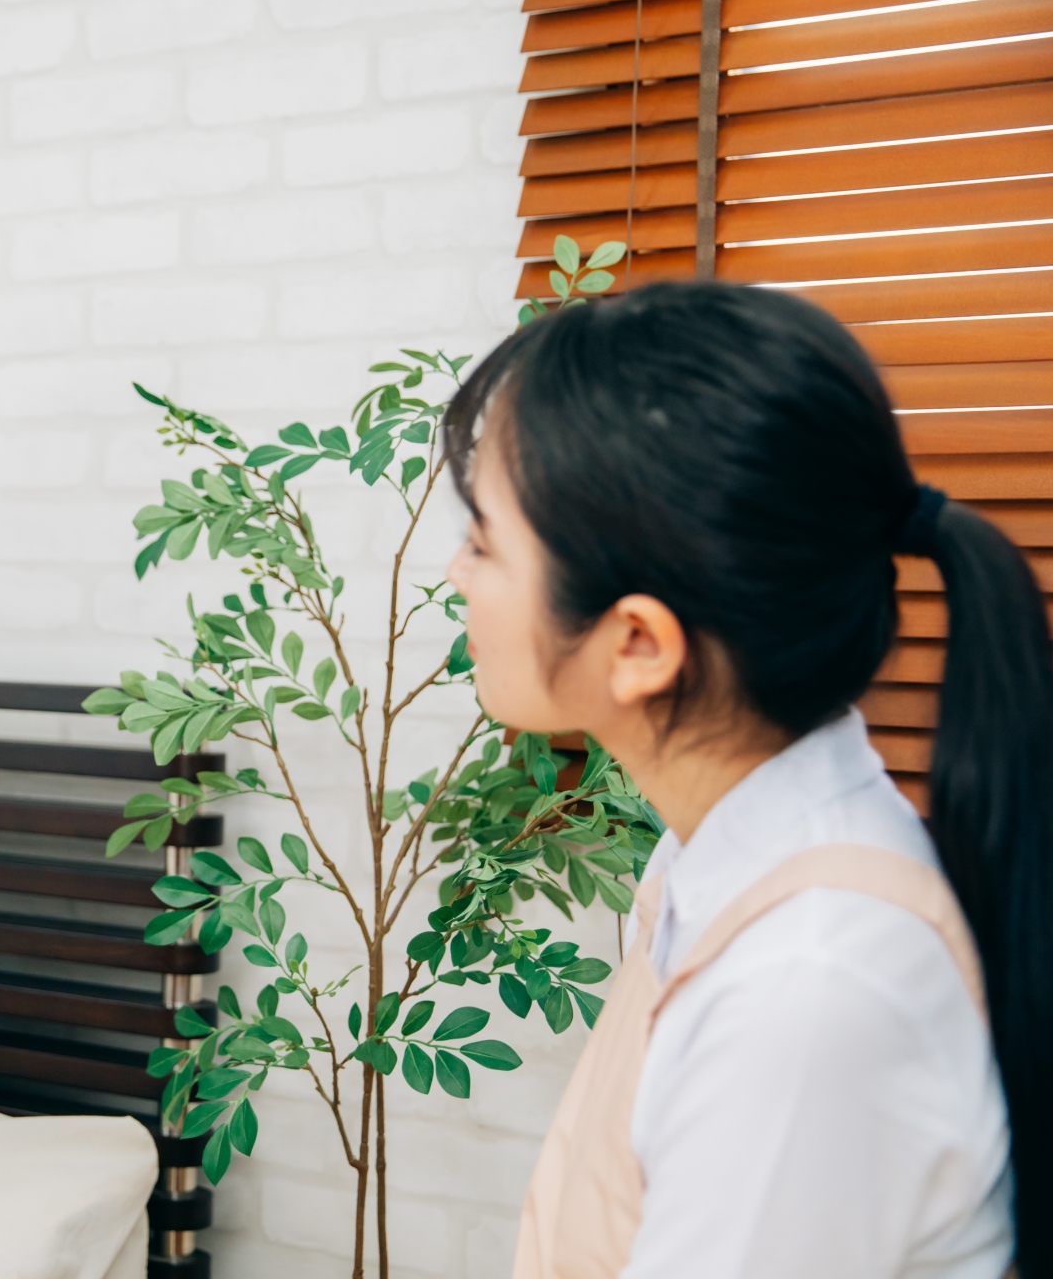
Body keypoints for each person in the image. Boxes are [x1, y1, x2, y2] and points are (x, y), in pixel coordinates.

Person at [441, 283, 1042, 1279]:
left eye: (485, 540)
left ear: (637, 642)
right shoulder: (712, 861)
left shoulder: (808, 983)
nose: (459, 573)